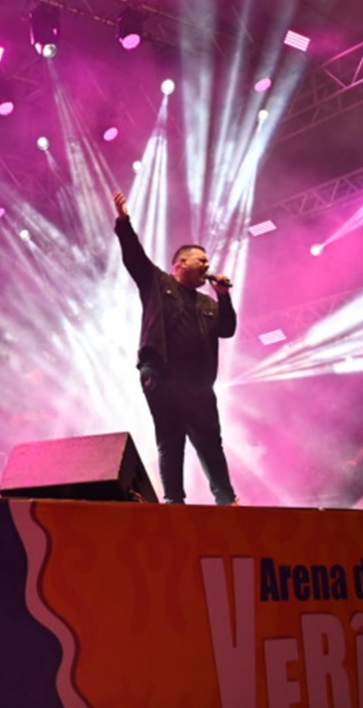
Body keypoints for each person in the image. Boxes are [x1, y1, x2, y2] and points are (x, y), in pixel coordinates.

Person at [112, 190, 238, 505]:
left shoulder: (208, 303)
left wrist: (224, 297)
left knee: (210, 443)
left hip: (198, 384)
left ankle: (227, 500)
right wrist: (124, 222)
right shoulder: (158, 283)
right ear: (181, 263)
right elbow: (134, 257)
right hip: (162, 375)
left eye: (208, 262)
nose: (208, 265)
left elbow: (227, 329)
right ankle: (174, 502)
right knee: (171, 439)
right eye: (201, 260)